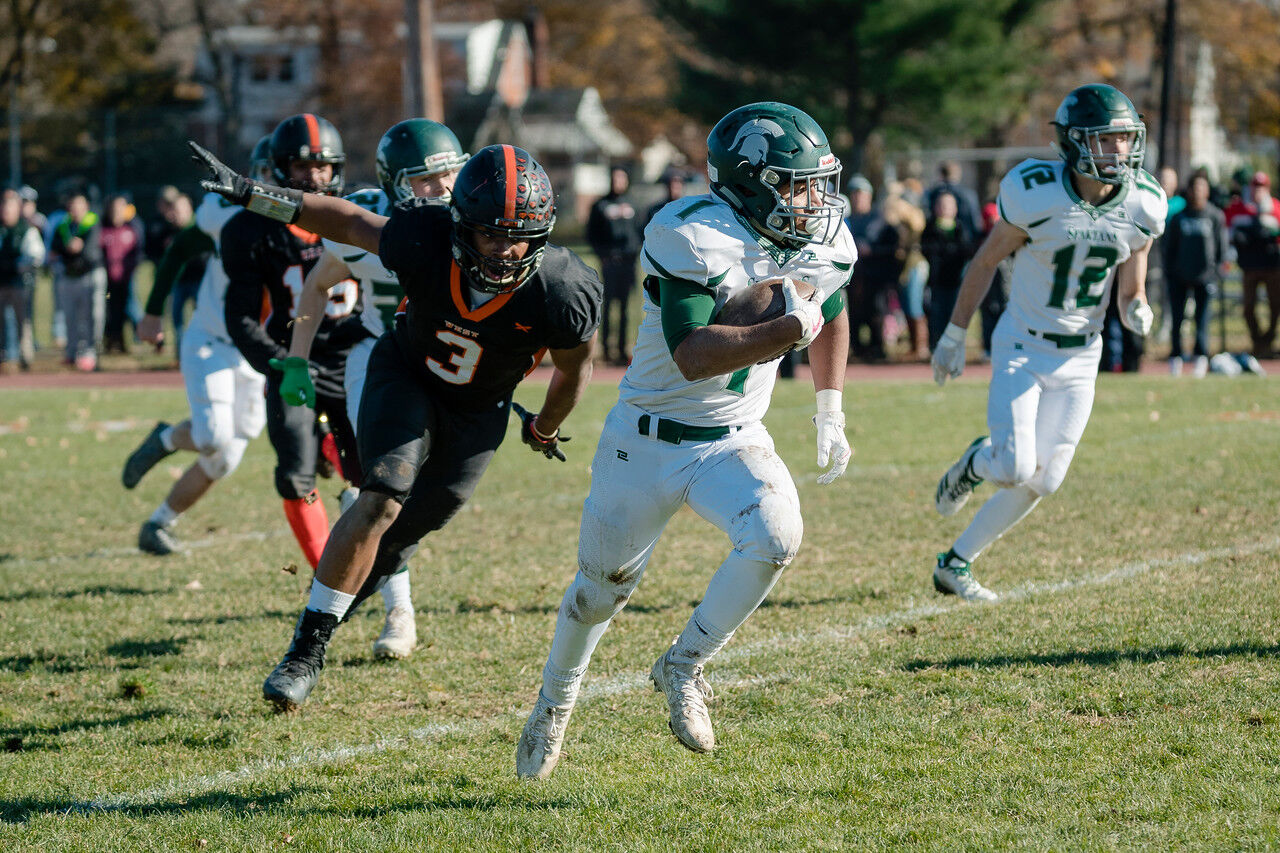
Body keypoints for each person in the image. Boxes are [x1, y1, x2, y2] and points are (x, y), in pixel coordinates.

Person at [190, 137, 602, 713]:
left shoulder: (564, 288)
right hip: (404, 374)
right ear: (460, 223)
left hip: (479, 412)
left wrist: (545, 427)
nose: (505, 251)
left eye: (519, 237)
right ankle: (305, 650)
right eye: (490, 234)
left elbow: (574, 368)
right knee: (382, 496)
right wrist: (255, 194)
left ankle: (326, 624)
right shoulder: (423, 233)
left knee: (403, 535)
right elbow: (347, 219)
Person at [514, 101, 854, 780]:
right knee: (598, 592)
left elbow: (833, 307)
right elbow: (693, 353)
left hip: (732, 437)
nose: (813, 199)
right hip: (645, 442)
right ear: (750, 182)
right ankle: (554, 703)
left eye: (817, 181)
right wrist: (789, 328)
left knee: (776, 533)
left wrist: (830, 406)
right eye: (795, 183)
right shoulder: (694, 234)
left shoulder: (821, 240)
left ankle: (683, 664)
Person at [929, 83, 1165, 601]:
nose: (1120, 151)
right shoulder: (1036, 191)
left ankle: (956, 562)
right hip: (1024, 344)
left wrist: (1137, 308)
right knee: (1012, 466)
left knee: (1047, 479)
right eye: (1107, 141)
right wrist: (953, 332)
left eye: (1126, 139)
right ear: (1075, 143)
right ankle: (974, 463)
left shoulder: (1144, 202)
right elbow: (986, 260)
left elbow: (1132, 286)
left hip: (1084, 352)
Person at [278, 117, 469, 660]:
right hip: (381, 360)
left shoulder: (474, 224)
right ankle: (398, 609)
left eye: (450, 174)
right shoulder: (371, 225)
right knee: (384, 489)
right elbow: (319, 284)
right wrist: (296, 360)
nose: (444, 190)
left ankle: (379, 577)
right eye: (425, 181)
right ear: (393, 185)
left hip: (449, 365)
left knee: (426, 493)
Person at [121, 137, 275, 556]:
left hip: (256, 352)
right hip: (213, 338)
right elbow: (179, 251)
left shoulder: (316, 222)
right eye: (287, 170)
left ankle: (158, 525)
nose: (304, 180)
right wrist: (152, 312)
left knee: (224, 459)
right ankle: (167, 438)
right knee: (212, 435)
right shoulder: (225, 212)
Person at [1163, 171, 1226, 377]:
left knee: (1202, 321)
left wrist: (1215, 273)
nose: (1198, 191)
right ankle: (1176, 358)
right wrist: (1171, 273)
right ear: (1189, 190)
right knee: (1177, 320)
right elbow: (1168, 248)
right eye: (1195, 187)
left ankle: (1200, 359)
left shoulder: (1215, 216)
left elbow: (1221, 249)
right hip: (1179, 277)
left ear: (1207, 190)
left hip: (1205, 278)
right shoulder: (1179, 218)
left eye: (1202, 187)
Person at [587, 165, 643, 365]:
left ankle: (621, 351)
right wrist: (602, 255)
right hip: (609, 263)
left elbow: (640, 232)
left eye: (622, 179)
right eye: (615, 179)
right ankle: (606, 351)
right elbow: (591, 234)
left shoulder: (633, 204)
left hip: (628, 265)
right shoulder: (600, 205)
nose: (618, 182)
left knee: (626, 308)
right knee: (608, 306)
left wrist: (635, 252)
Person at [1225, 172, 1280, 358]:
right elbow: (1229, 233)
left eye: (1261, 186)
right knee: (1248, 307)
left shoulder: (1276, 208)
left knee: (1275, 305)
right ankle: (1258, 342)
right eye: (1255, 186)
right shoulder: (1240, 208)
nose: (1258, 190)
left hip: (1272, 267)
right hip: (1250, 267)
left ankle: (1268, 340)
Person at [49, 191, 105, 371]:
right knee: (69, 317)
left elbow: (90, 252)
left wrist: (74, 249)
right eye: (72, 207)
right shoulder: (64, 225)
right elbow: (54, 249)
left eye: (79, 206)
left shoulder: (93, 223)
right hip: (68, 275)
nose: (75, 210)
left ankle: (90, 352)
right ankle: (71, 353)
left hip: (89, 275)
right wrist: (69, 248)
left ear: (86, 207)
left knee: (91, 316)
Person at [922, 190, 977, 349]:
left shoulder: (961, 229)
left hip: (955, 282)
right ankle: (935, 347)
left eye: (948, 205)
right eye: (940, 205)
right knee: (936, 316)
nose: (944, 208)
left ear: (955, 208)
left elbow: (966, 252)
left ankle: (954, 348)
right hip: (936, 282)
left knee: (954, 317)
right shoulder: (930, 228)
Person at [0, 188, 44, 372]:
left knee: (23, 323)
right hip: (1, 282)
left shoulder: (26, 229)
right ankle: (3, 358)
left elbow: (36, 256)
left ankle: (25, 359)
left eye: (10, 206)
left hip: (20, 283)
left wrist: (17, 265)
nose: (6, 210)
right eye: (4, 205)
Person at [98, 194, 144, 354]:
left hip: (127, 278)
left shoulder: (132, 227)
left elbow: (138, 251)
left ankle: (140, 338)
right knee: (111, 311)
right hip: (108, 280)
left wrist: (131, 268)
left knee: (131, 308)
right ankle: (113, 342)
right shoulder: (103, 229)